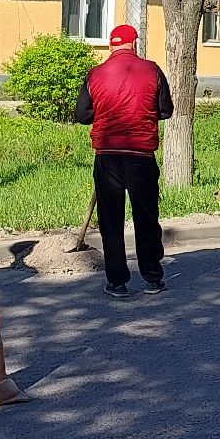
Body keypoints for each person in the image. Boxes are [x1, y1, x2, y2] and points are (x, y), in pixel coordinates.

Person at [74, 24, 173, 298]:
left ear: (110, 46)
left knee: (110, 220)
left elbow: (82, 115)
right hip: (141, 155)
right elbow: (166, 110)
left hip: (107, 157)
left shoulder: (94, 75)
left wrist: (105, 112)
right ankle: (153, 278)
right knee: (146, 217)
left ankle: (117, 282)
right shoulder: (152, 70)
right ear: (135, 44)